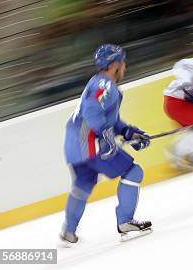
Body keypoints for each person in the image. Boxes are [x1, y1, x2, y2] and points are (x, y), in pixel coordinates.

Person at [60, 44, 152, 245]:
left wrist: (129, 132)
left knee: (83, 184)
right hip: (89, 142)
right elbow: (93, 112)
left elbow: (111, 120)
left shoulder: (99, 83)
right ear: (114, 65)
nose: (124, 66)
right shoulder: (106, 86)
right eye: (122, 62)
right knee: (133, 172)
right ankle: (126, 221)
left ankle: (69, 230)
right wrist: (107, 136)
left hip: (74, 144)